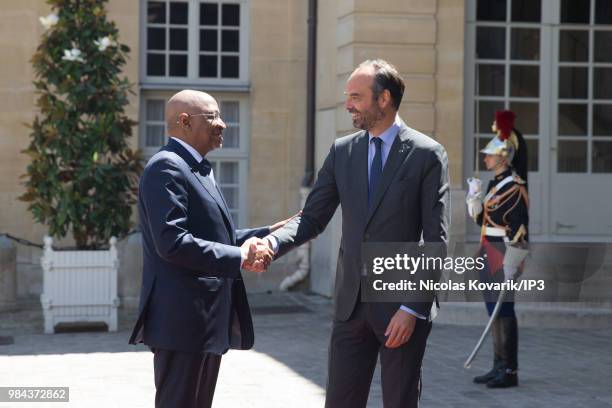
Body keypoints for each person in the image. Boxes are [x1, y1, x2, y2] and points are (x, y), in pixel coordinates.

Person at [265, 60, 450, 408]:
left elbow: (435, 240)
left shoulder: (427, 154)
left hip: (400, 306)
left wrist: (412, 307)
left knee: (399, 401)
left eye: (355, 97)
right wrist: (273, 243)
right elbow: (312, 217)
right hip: (350, 305)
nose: (348, 105)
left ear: (384, 99)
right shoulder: (342, 151)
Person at [128, 90, 292, 408]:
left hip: (203, 321)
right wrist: (242, 257)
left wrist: (270, 233)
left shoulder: (196, 166)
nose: (223, 124)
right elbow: (173, 243)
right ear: (184, 122)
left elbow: (216, 236)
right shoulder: (167, 167)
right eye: (212, 116)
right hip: (181, 321)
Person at [466, 110, 529, 388]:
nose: (485, 158)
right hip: (487, 249)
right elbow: (482, 220)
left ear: (504, 157)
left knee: (504, 311)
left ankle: (510, 370)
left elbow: (519, 228)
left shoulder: (515, 187)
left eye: (490, 155)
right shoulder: (495, 185)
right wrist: (474, 199)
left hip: (503, 252)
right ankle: (497, 364)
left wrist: (512, 264)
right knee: (493, 309)